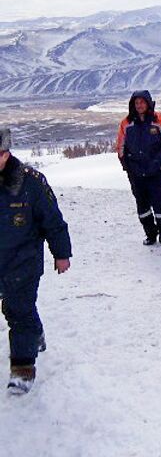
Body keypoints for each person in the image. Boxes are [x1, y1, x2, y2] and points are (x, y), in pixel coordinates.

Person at [0, 127, 71, 395]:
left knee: (20, 311)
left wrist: (61, 253)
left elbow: (53, 221)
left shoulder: (31, 182)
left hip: (23, 261)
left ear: (6, 154)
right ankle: (36, 334)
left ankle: (22, 369)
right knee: (11, 309)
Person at [116, 90, 161, 248]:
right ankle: (150, 234)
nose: (139, 106)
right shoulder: (126, 123)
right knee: (142, 207)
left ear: (148, 103)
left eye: (142, 102)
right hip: (136, 173)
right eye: (136, 103)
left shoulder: (158, 120)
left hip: (156, 171)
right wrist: (127, 167)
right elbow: (121, 147)